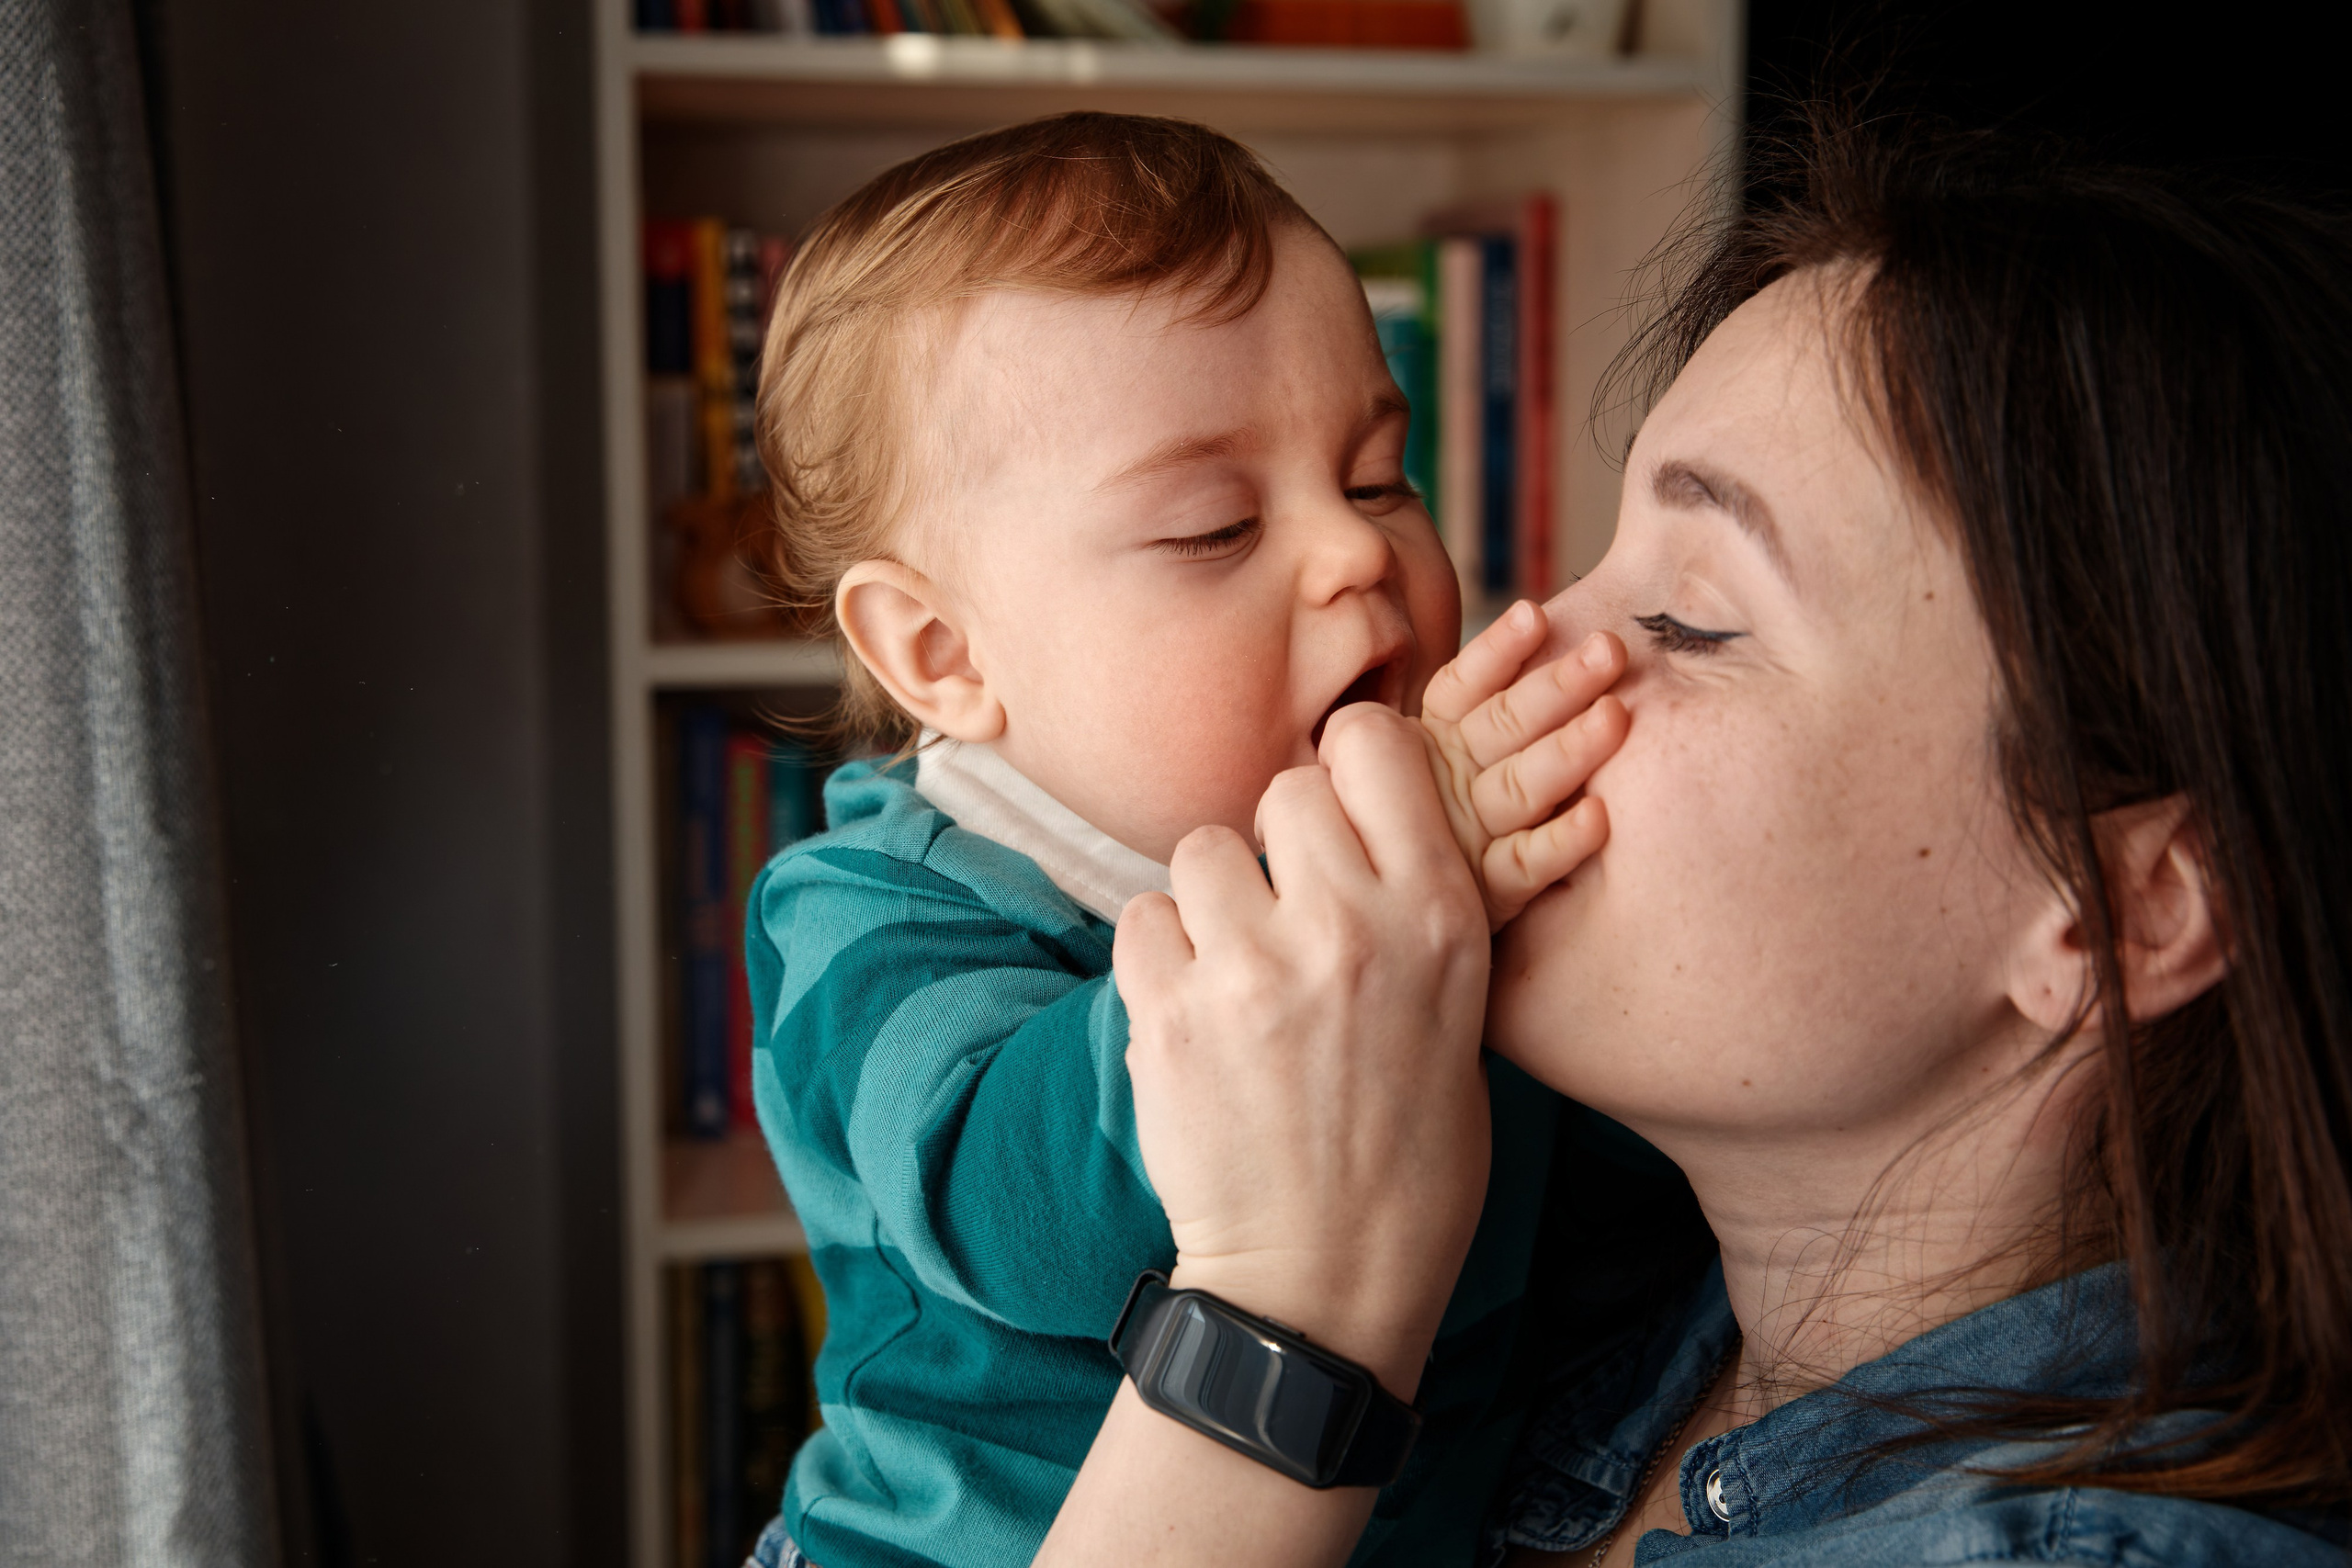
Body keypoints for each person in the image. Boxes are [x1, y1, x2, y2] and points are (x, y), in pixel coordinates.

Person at [1036, 120, 2352, 1565]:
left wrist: (1293, 1311)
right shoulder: (1591, 1313)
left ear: (2125, 908)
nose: (1502, 654)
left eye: (1691, 622)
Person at [740, 113, 1634, 1568]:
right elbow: (1025, 1222)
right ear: (943, 648)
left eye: (1375, 480)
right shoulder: (869, 915)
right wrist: (1341, 896)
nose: (1356, 555)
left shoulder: (1457, 863)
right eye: (1218, 526)